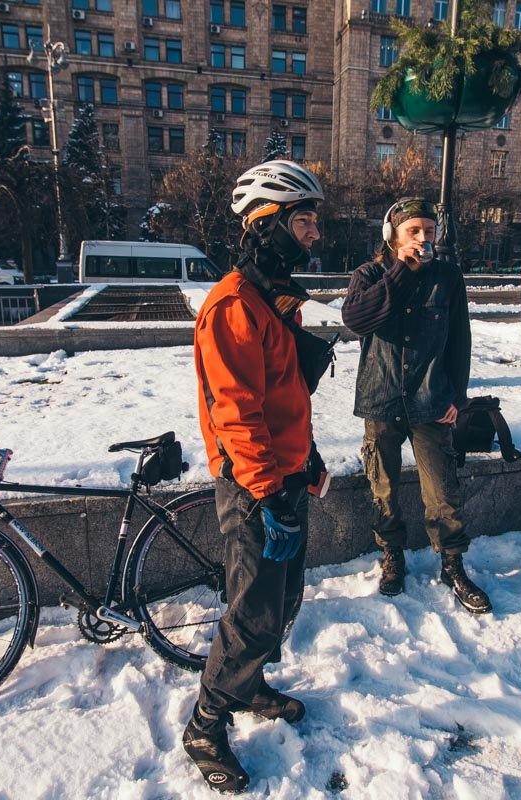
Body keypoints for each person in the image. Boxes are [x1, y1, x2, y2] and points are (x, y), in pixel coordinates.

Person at [184, 159, 324, 794]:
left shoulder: (274, 300)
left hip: (284, 475)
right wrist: (269, 495)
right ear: (265, 225)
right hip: (253, 488)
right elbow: (235, 413)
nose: (314, 233)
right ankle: (206, 725)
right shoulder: (233, 306)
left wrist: (309, 458)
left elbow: (285, 396)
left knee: (282, 603)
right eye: (303, 220)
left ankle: (249, 686)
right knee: (253, 614)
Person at [340, 197, 492, 615]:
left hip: (431, 401)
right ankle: (392, 555)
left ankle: (452, 564)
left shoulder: (448, 277)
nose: (424, 239)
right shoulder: (371, 274)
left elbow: (460, 341)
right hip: (381, 397)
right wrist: (398, 273)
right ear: (393, 235)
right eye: (414, 231)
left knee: (443, 490)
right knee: (383, 487)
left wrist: (456, 399)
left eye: (429, 231)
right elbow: (356, 320)